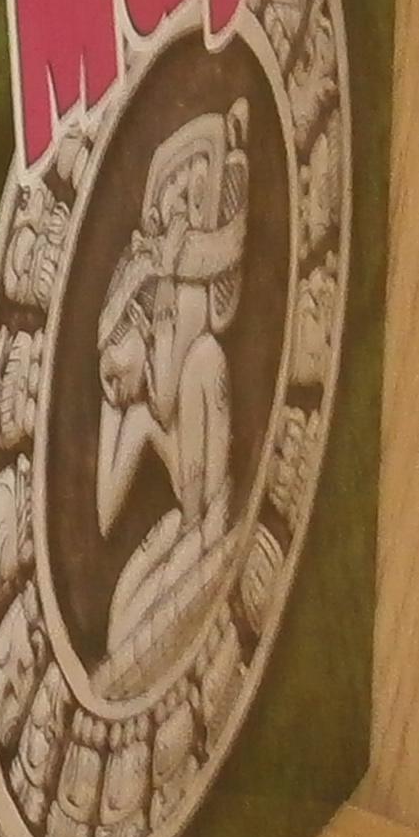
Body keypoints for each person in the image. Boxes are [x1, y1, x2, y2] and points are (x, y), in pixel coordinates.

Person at [95, 105, 248, 688]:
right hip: (188, 516)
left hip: (211, 501)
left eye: (111, 370)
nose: (111, 388)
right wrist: (114, 408)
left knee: (204, 359)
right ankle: (195, 538)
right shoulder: (142, 401)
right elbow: (106, 512)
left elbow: (226, 250)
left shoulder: (187, 307)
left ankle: (208, 531)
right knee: (118, 627)